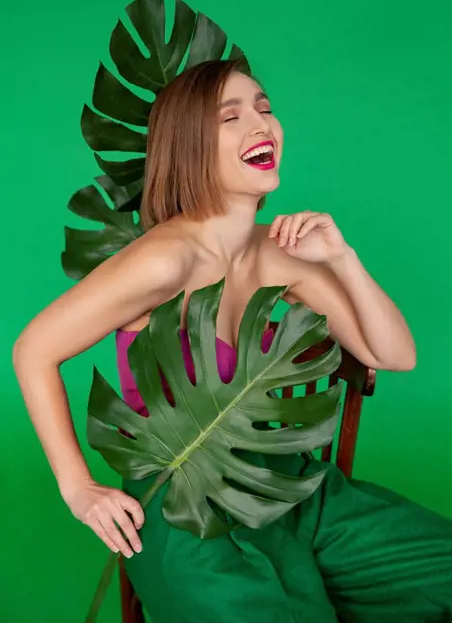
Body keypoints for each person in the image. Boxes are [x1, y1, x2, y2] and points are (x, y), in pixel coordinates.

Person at [13, 59, 452, 623]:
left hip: (283, 486)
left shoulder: (279, 252)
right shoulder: (165, 260)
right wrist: (78, 488)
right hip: (184, 508)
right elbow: (34, 349)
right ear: (191, 145)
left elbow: (394, 354)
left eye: (265, 108)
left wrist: (344, 257)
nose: (260, 124)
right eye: (231, 116)